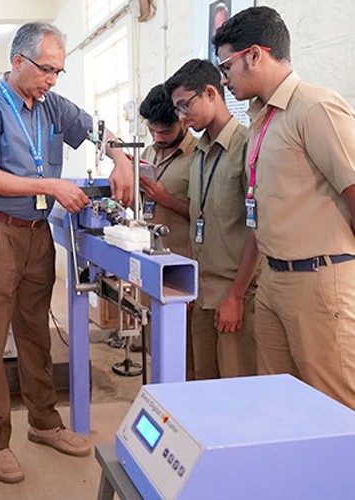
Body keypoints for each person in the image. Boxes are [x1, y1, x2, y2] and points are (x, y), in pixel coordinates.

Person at [0, 21, 133, 483]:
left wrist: (121, 158)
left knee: (35, 331)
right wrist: (50, 184)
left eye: (58, 71)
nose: (52, 80)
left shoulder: (51, 106)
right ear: (18, 62)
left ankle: (44, 422)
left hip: (37, 232)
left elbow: (96, 131)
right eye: (46, 70)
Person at [213, 6, 355, 408]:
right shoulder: (262, 119)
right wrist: (240, 291)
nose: (224, 80)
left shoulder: (315, 108)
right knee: (279, 404)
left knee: (335, 405)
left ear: (255, 55)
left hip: (319, 280)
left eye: (227, 66)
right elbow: (263, 214)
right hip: (274, 280)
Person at [164, 59, 256, 380]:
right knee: (204, 384)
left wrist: (236, 296)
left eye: (184, 105)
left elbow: (257, 231)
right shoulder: (200, 154)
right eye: (177, 110)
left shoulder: (246, 147)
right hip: (202, 292)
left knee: (235, 389)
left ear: (211, 93)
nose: (181, 116)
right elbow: (197, 221)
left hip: (235, 292)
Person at [136, 83, 197, 378]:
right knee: (156, 352)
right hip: (152, 264)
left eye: (165, 132)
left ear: (181, 121)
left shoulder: (198, 155)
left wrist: (165, 199)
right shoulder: (149, 152)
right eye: (152, 131)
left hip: (182, 270)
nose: (158, 139)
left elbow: (209, 215)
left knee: (183, 358)